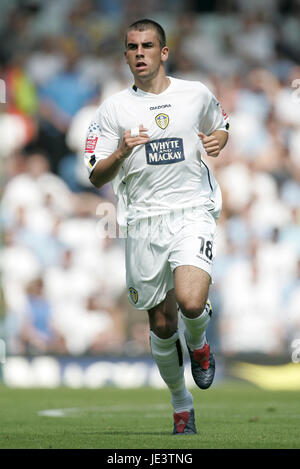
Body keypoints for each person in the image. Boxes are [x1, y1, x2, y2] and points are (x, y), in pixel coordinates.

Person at [84, 19, 229, 435]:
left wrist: (220, 138)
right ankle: (180, 403)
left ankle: (199, 344)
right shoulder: (112, 110)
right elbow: (95, 175)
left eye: (149, 45)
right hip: (143, 222)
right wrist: (121, 150)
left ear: (164, 52)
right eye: (133, 47)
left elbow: (221, 123)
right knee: (162, 326)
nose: (140, 53)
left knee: (189, 301)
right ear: (126, 54)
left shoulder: (195, 93)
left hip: (191, 211)